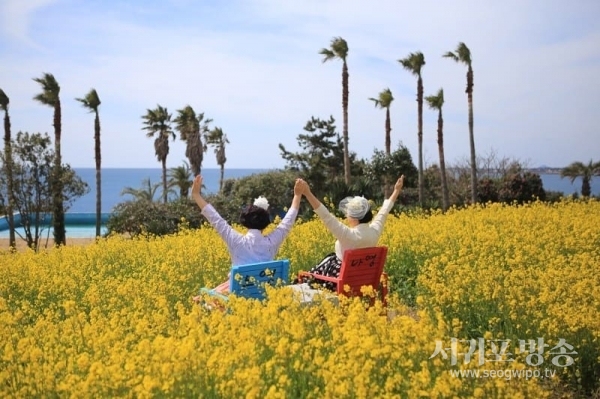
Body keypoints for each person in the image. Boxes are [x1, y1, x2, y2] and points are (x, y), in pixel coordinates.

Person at [191, 175, 302, 294]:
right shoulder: (272, 242)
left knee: (201, 298)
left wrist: (196, 195)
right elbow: (288, 220)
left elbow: (216, 219)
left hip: (239, 294)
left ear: (245, 222)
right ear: (265, 223)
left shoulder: (236, 242)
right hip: (265, 293)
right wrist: (297, 195)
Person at [296, 175, 404, 290]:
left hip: (341, 280)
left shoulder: (348, 235)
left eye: (348, 213)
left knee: (304, 280)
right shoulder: (374, 231)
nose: (346, 215)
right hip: (364, 279)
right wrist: (396, 191)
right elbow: (384, 211)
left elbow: (325, 216)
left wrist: (307, 193)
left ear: (354, 217)